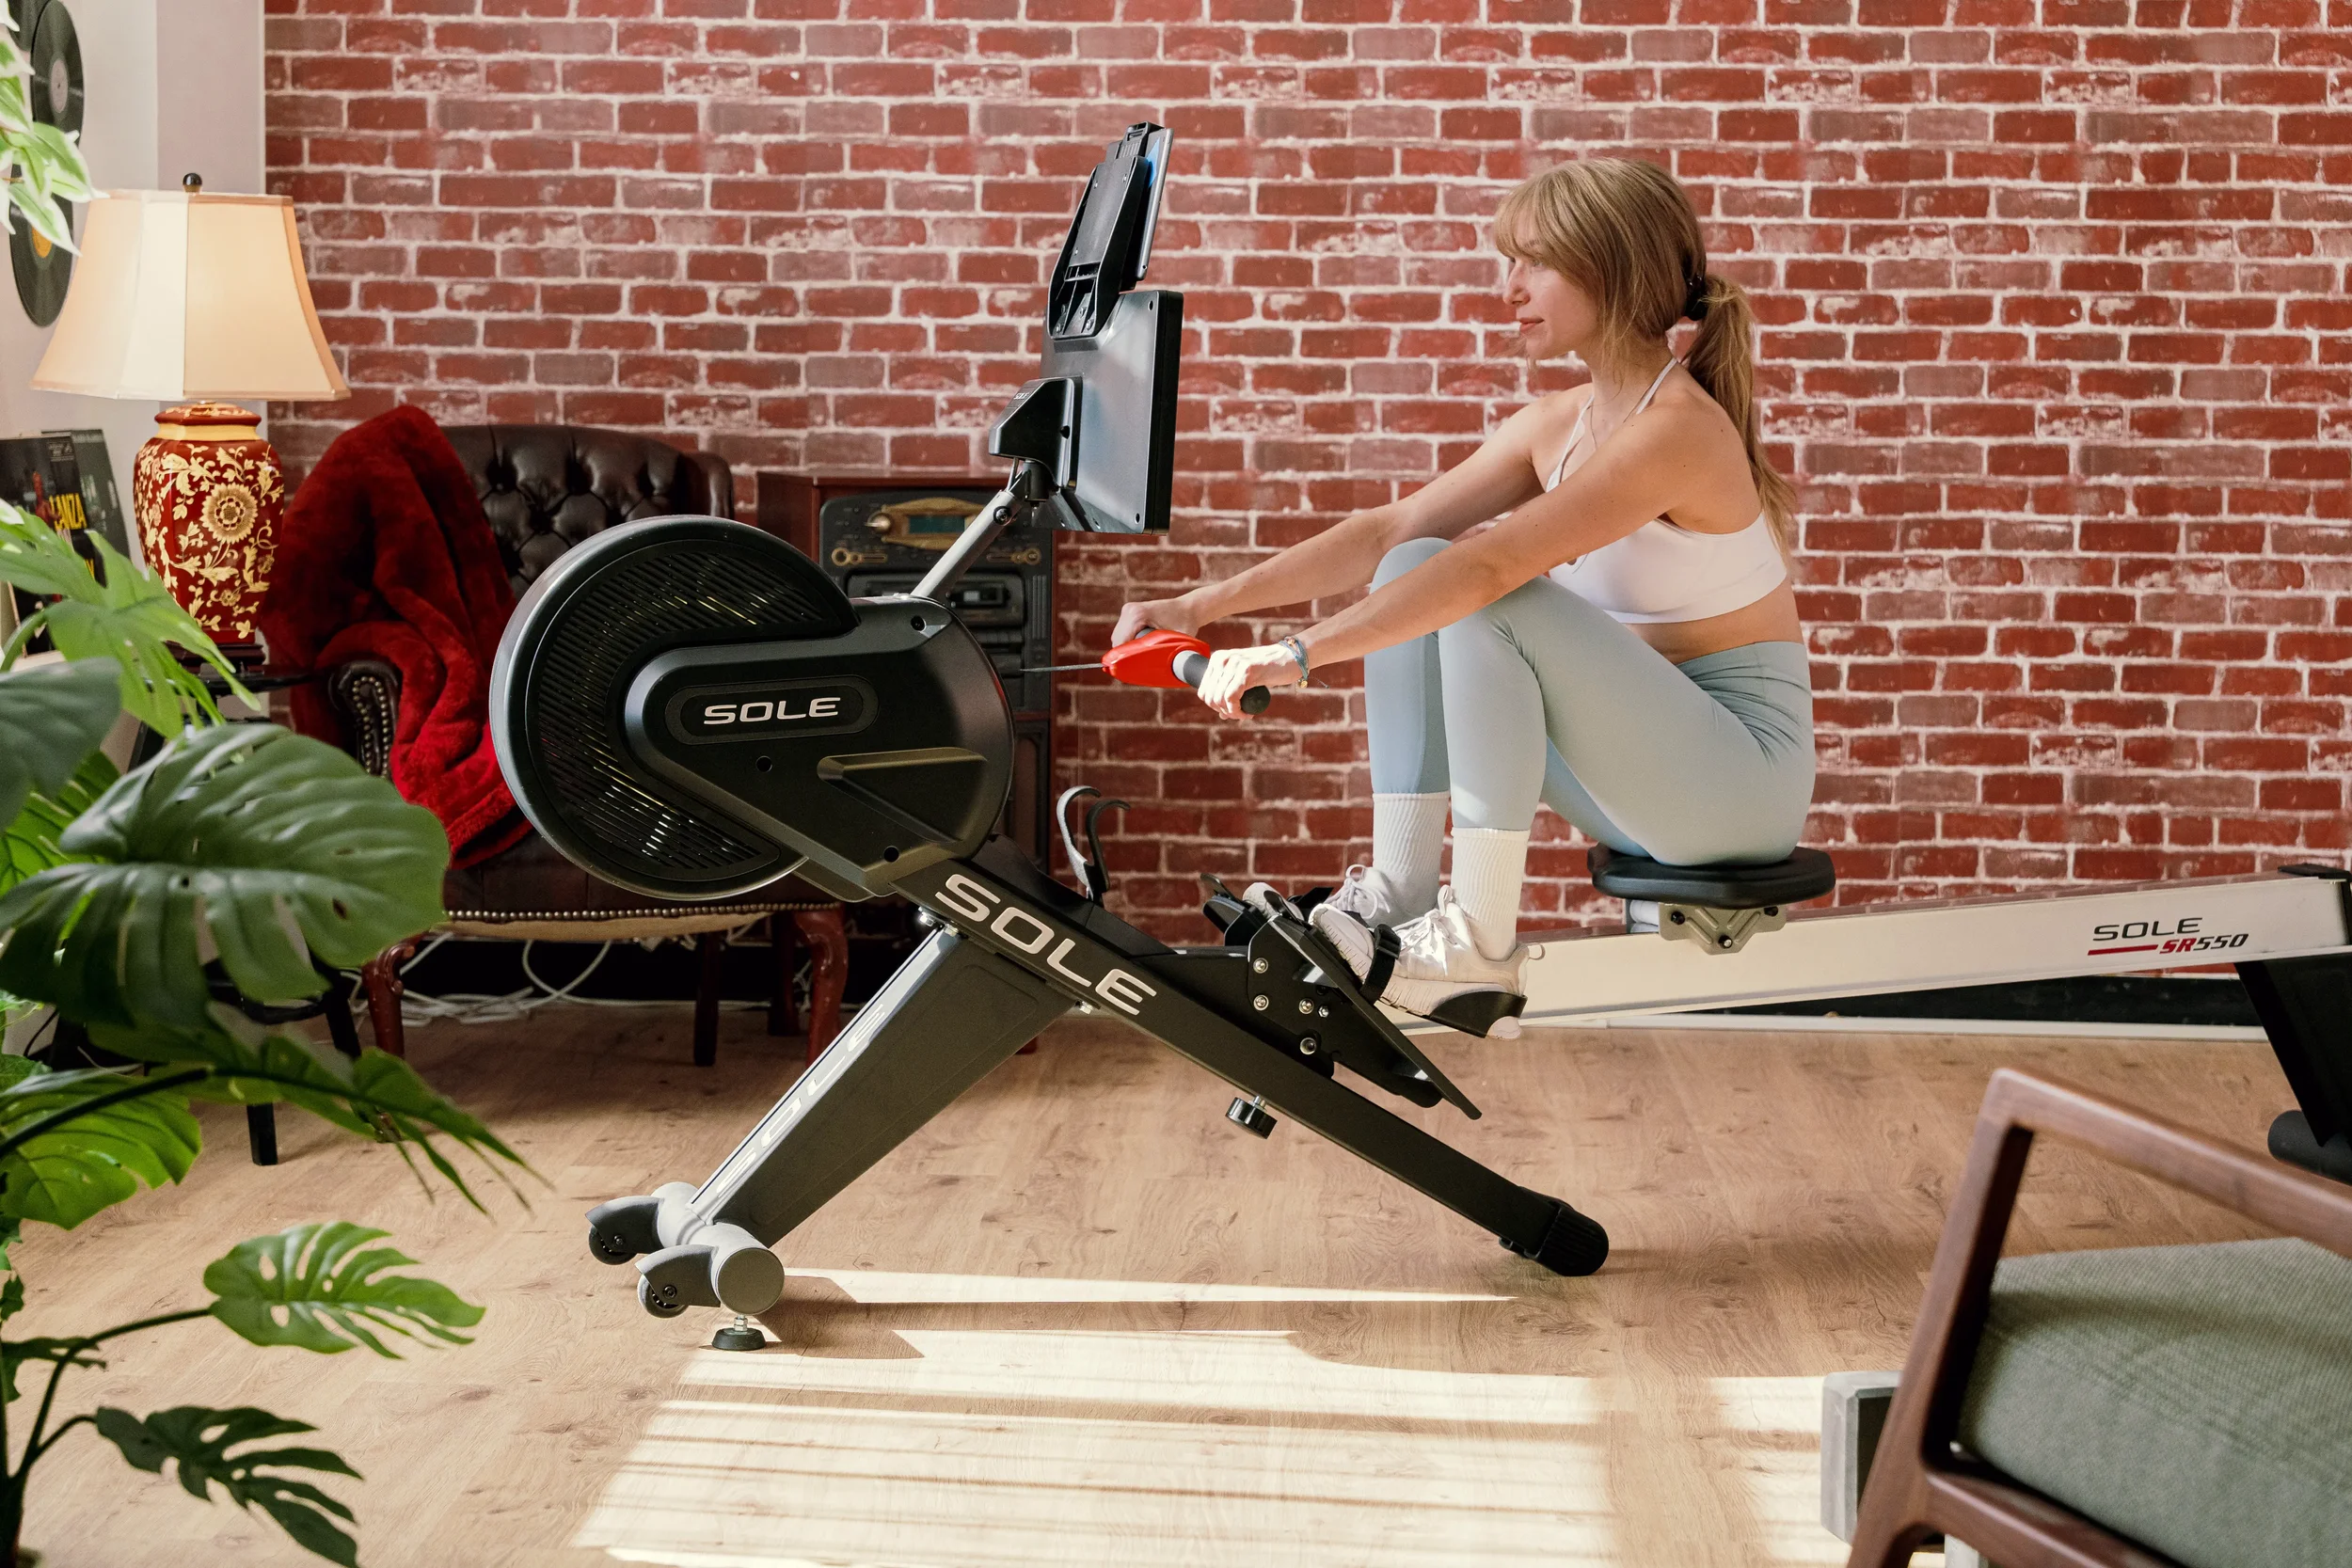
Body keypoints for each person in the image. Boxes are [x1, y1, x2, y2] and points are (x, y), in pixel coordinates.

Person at [1109, 157, 1816, 1030]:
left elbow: (1489, 572)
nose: (1509, 287)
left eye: (1533, 263)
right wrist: (1199, 610)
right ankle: (1401, 895)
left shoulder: (1675, 434)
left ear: (1612, 270)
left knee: (1480, 591)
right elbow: (1386, 532)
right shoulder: (1559, 424)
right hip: (1643, 780)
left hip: (1737, 786)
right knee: (1417, 565)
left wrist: (1297, 657)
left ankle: (1478, 940)